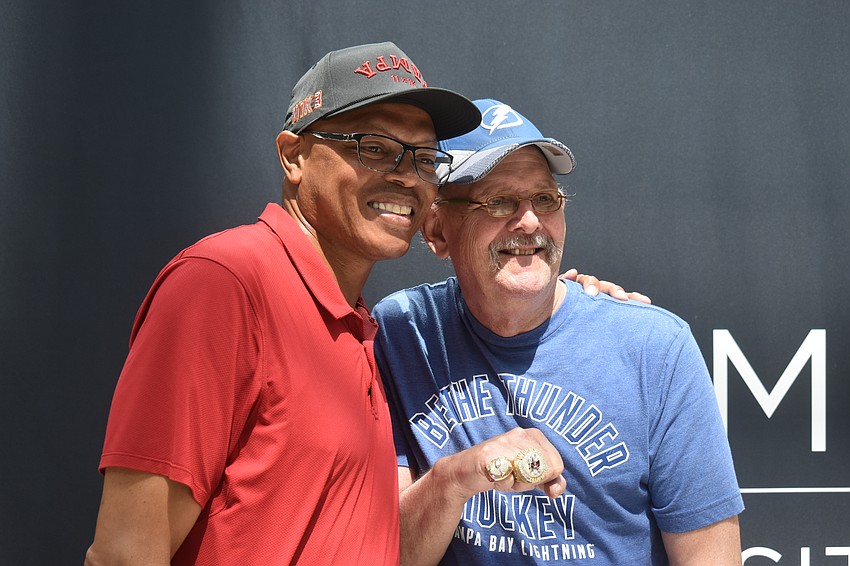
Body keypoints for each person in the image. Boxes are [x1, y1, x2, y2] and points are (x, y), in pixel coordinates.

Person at [84, 45, 628, 565]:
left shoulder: (371, 327)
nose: (405, 175)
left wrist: (569, 299)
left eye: (423, 159)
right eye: (374, 148)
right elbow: (123, 554)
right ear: (293, 156)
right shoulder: (225, 283)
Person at [372, 99, 744, 565]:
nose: (530, 221)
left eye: (546, 200)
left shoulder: (654, 348)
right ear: (437, 231)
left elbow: (712, 556)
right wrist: (457, 478)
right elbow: (389, 555)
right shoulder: (404, 333)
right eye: (499, 202)